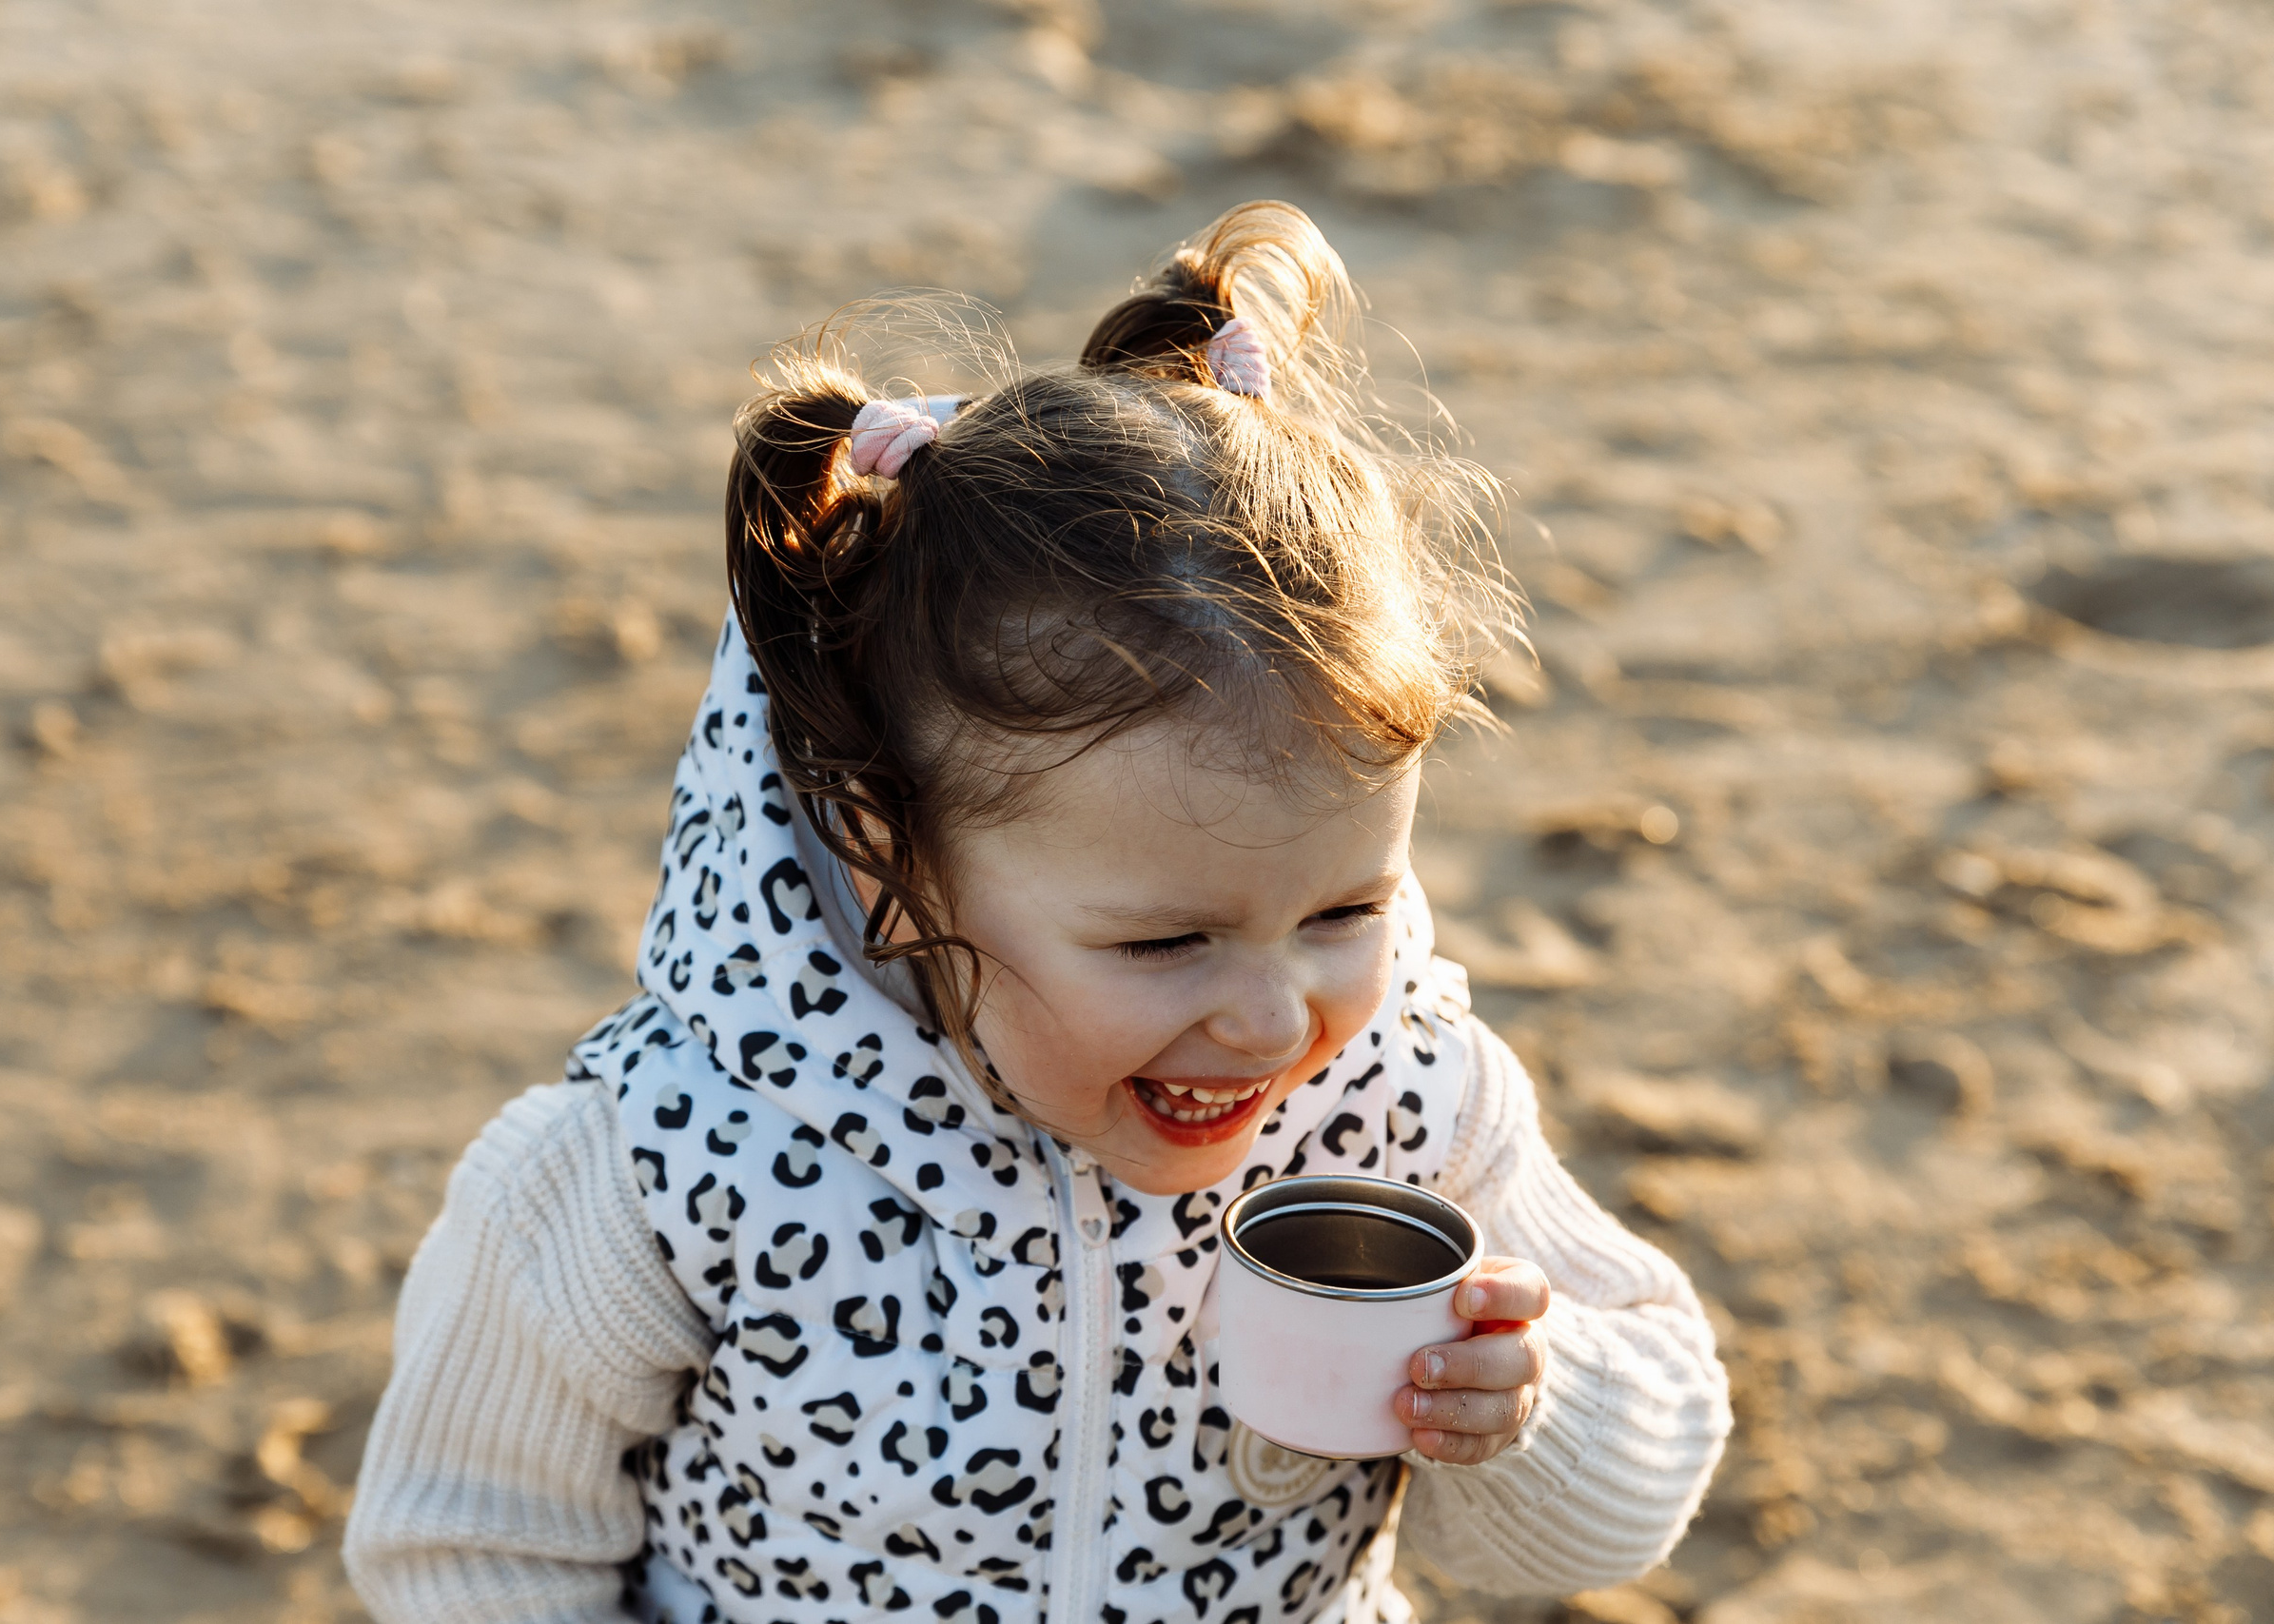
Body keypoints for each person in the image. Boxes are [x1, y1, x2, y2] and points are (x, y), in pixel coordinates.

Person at [343, 201, 1731, 1624]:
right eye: (1165, 942)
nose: (1274, 1022)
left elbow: (1626, 1489)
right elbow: (470, 1547)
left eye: (1344, 910)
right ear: (886, 859)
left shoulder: (1404, 1107)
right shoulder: (670, 1166)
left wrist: (1525, 1408)